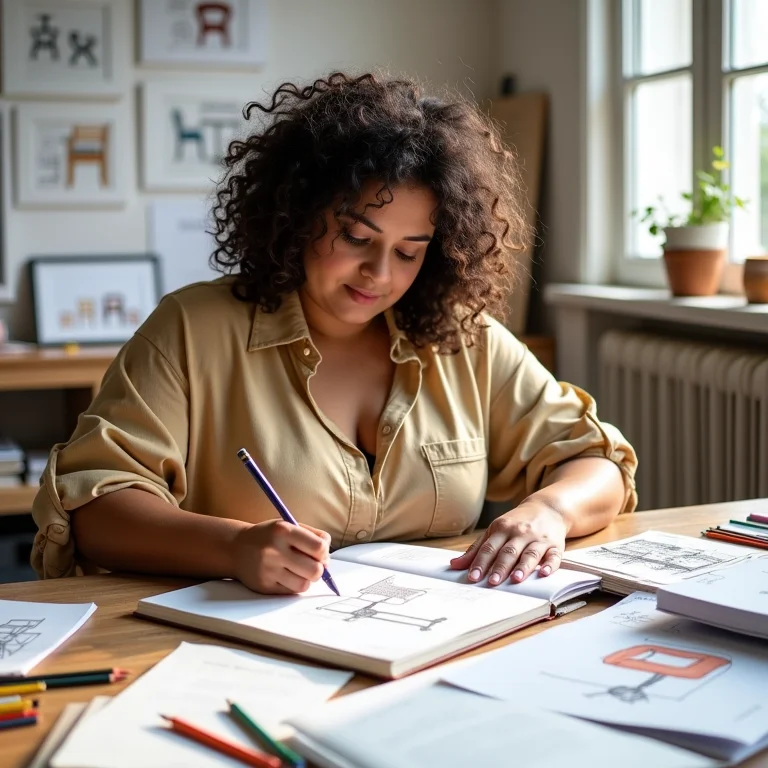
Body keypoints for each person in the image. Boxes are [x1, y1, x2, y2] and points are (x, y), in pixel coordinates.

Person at [31, 72, 637, 593]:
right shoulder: (192, 330)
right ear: (296, 215)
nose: (380, 274)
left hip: (428, 646)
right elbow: (94, 509)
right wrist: (233, 549)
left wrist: (549, 511)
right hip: (233, 647)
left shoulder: (462, 339)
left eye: (410, 251)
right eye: (356, 238)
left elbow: (596, 460)